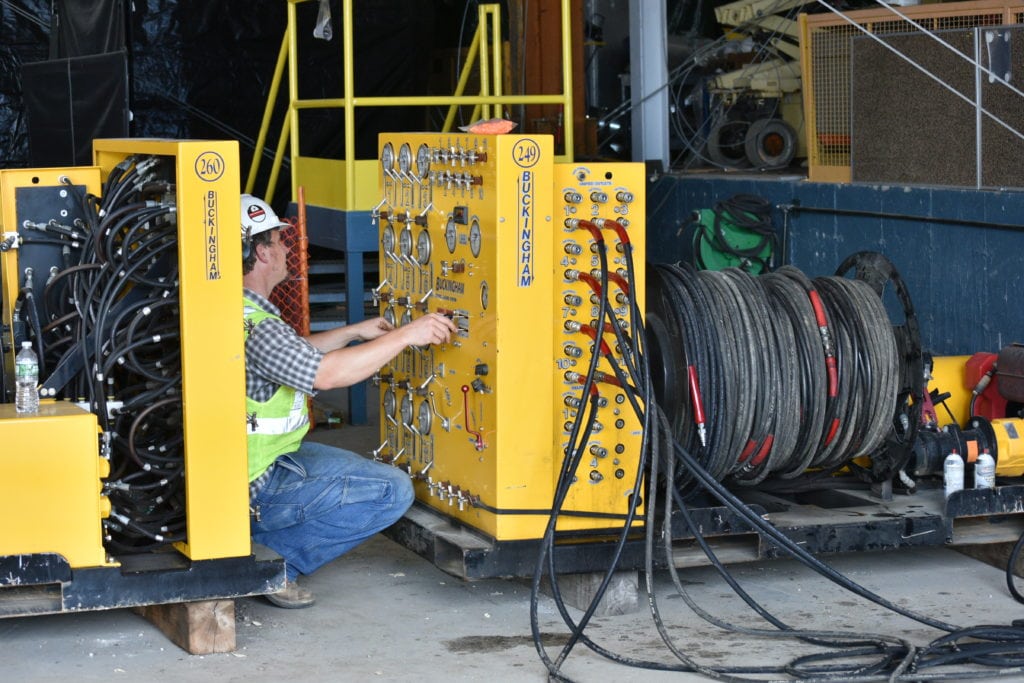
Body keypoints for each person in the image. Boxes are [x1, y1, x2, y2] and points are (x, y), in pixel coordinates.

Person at [240, 194, 456, 608]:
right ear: (263, 252)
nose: (289, 249)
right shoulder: (260, 327)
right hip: (256, 485)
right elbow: (328, 374)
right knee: (391, 490)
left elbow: (292, 352)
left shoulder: (242, 311)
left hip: (264, 462)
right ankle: (270, 563)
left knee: (362, 471)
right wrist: (407, 335)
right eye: (280, 241)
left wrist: (352, 332)